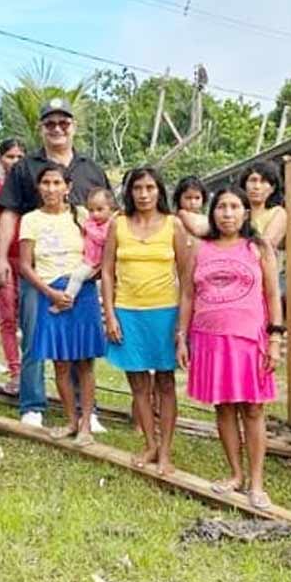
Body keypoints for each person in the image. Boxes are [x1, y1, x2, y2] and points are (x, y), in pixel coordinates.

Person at [0, 98, 110, 426]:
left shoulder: (91, 169)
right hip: (38, 270)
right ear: (41, 128)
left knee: (79, 342)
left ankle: (86, 410)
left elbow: (106, 220)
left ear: (74, 126)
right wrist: (0, 258)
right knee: (34, 336)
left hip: (80, 272)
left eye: (63, 123)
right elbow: (9, 213)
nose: (57, 129)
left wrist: (104, 266)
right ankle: (32, 404)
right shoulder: (25, 168)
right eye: (50, 123)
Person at [177, 186, 283, 510]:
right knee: (223, 407)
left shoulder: (258, 248)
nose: (227, 213)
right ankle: (235, 474)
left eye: (234, 207)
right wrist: (182, 337)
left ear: (245, 213)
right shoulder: (199, 248)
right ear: (212, 213)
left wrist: (275, 339)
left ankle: (257, 482)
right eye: (221, 207)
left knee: (253, 409)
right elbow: (187, 295)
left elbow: (272, 295)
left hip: (249, 340)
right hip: (209, 340)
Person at [102, 167, 189, 474]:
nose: (143, 194)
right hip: (127, 312)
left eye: (150, 188)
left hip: (165, 312)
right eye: (137, 188)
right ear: (129, 192)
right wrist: (110, 314)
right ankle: (150, 444)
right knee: (138, 383)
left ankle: (165, 451)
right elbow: (107, 272)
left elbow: (186, 278)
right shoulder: (118, 223)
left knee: (165, 382)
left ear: (160, 191)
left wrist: (181, 327)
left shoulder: (173, 224)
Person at [18, 163, 108, 444]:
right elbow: (25, 265)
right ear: (38, 187)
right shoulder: (30, 219)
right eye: (45, 183)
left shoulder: (82, 215)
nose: (51, 189)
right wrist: (50, 293)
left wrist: (94, 273)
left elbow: (102, 248)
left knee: (85, 362)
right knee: (61, 363)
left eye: (57, 183)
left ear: (68, 187)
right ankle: (71, 420)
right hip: (51, 293)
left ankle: (86, 423)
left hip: (83, 292)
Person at [0, 138, 26, 395]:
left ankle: (31, 371)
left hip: (27, 259)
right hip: (0, 257)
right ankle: (15, 371)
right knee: (7, 317)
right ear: (0, 159)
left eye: (19, 157)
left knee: (29, 317)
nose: (14, 162)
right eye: (10, 156)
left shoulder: (33, 188)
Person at [52, 188, 115, 314]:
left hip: (95, 262)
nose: (95, 214)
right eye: (91, 210)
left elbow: (102, 239)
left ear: (110, 209)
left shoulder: (110, 225)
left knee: (77, 276)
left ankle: (67, 300)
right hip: (85, 257)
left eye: (100, 209)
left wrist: (89, 229)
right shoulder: (91, 222)